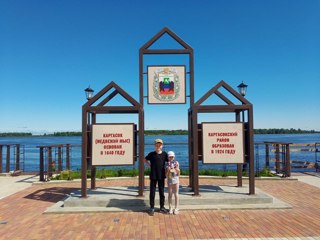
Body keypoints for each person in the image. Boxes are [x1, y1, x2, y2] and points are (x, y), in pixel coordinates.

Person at [144, 139, 168, 216]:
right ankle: (152, 207)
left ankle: (162, 207)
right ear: (154, 145)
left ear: (162, 145)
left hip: (161, 175)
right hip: (153, 175)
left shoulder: (165, 154)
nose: (158, 146)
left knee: (162, 192)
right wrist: (149, 165)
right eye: (157, 144)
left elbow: (169, 162)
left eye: (160, 144)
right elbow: (144, 159)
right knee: (152, 192)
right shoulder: (151, 154)